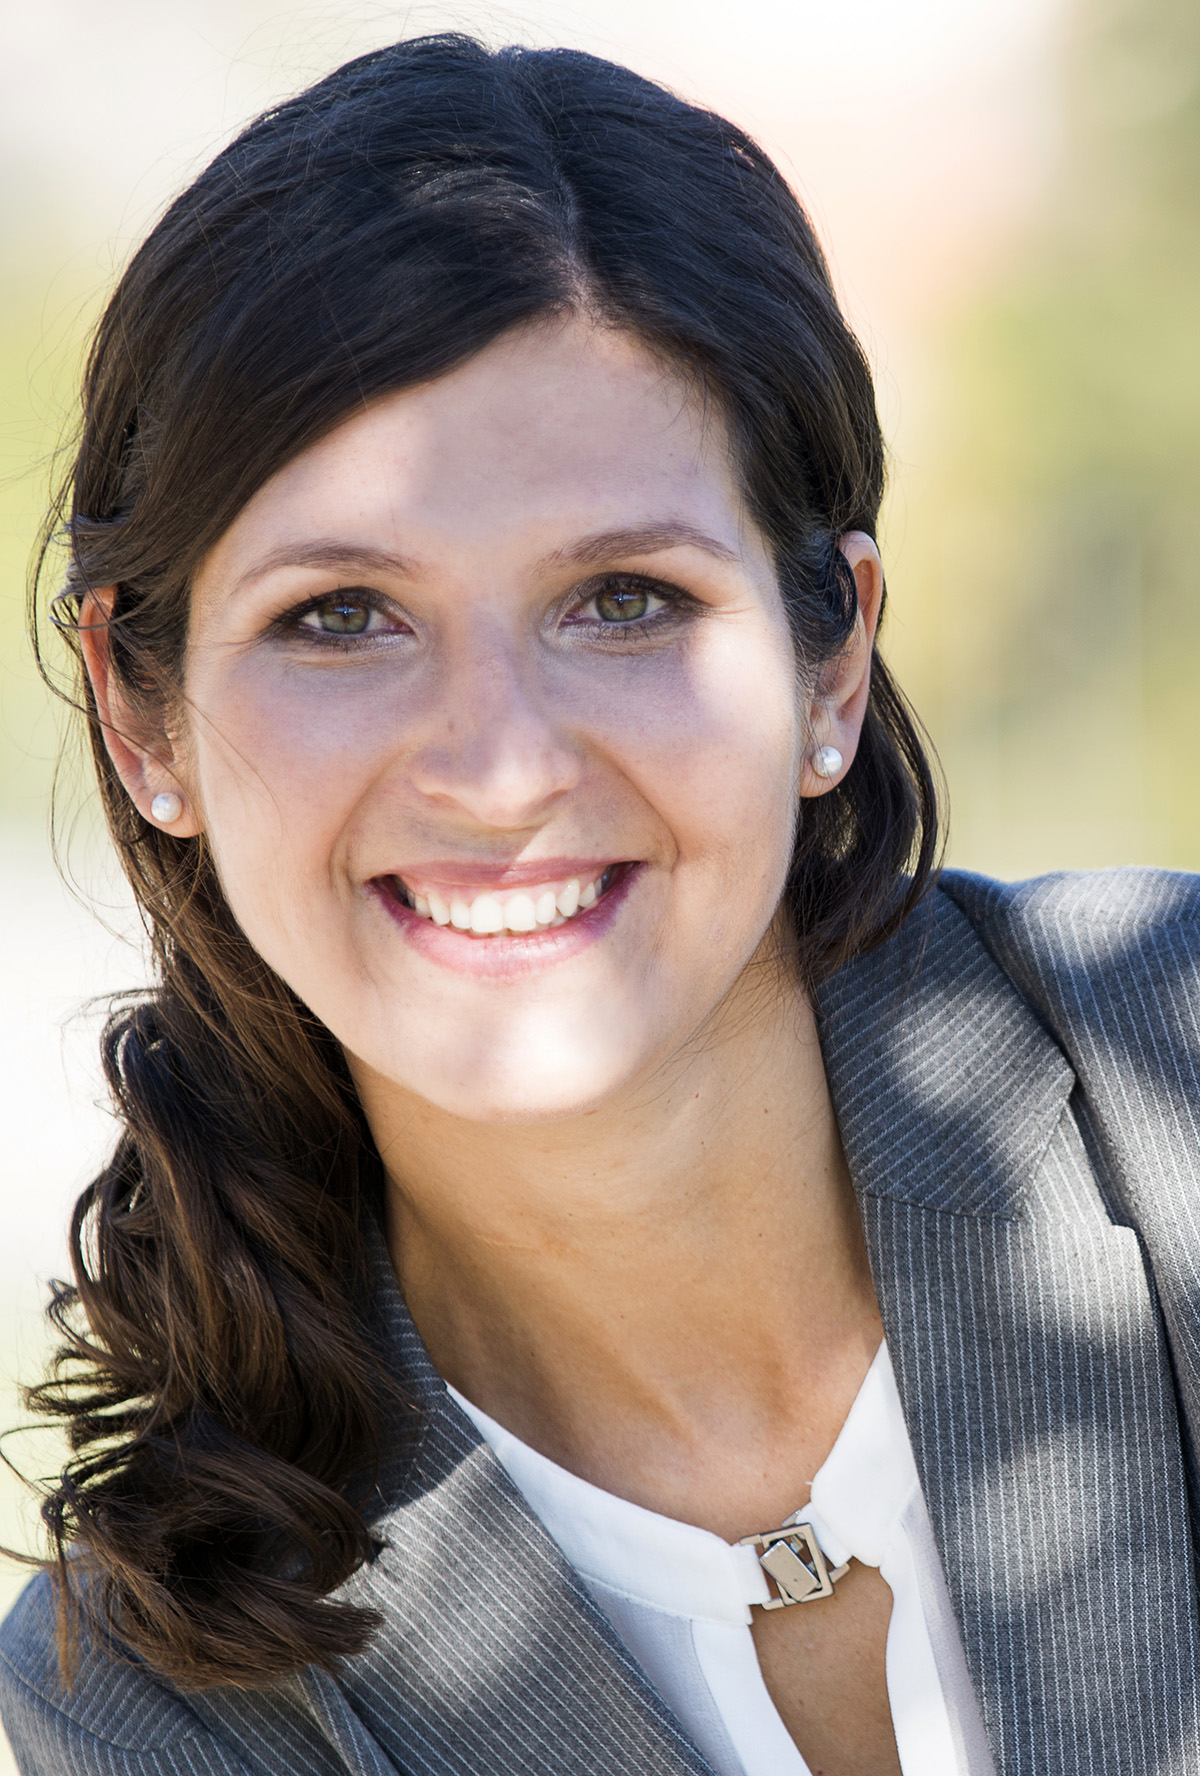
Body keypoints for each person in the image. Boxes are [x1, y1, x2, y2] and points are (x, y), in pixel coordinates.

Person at [2, 31, 1199, 1776]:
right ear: (138, 711)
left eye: (624, 599)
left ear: (833, 659)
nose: (499, 770)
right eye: (341, 615)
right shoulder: (167, 1686)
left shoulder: (1177, 1074)